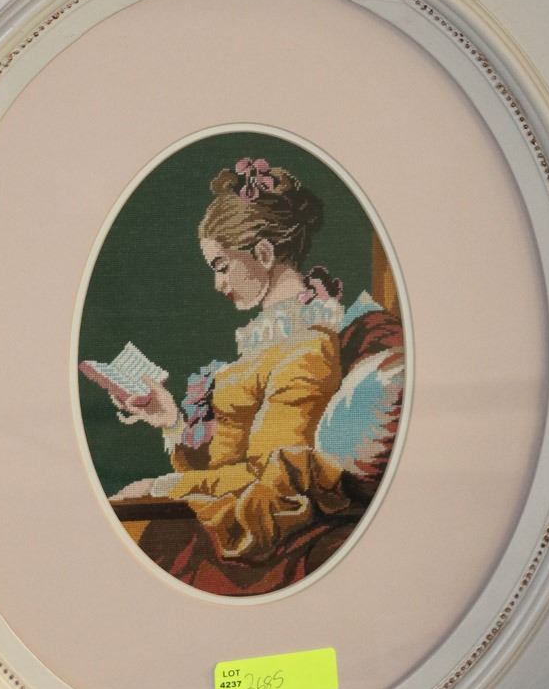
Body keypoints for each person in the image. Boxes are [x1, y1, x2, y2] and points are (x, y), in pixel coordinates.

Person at [110, 157, 382, 596]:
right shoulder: (267, 344)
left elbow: (265, 477)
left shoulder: (307, 350)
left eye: (221, 266)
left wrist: (162, 486)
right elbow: (225, 465)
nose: (218, 285)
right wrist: (171, 422)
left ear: (264, 254)